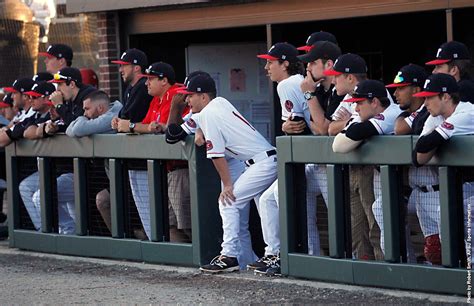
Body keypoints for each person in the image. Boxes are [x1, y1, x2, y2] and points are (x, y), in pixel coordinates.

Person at [167, 74, 277, 273]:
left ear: (203, 97)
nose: (187, 100)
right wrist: (200, 128)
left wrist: (227, 186)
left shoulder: (209, 112)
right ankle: (271, 256)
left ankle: (229, 256)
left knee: (229, 201)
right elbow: (174, 135)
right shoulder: (219, 103)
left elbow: (216, 155)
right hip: (262, 161)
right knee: (265, 207)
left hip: (262, 163)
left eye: (190, 95)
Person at [247, 42, 305, 275]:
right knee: (269, 199)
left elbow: (297, 127)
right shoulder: (295, 82)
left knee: (283, 203)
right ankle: (275, 253)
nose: (266, 68)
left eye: (271, 62)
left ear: (285, 63)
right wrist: (286, 125)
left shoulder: (288, 84)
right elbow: (292, 125)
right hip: (310, 155)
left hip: (311, 157)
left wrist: (287, 126)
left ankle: (286, 256)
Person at [115, 62, 188, 242]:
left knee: (187, 224)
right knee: (170, 224)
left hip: (182, 169)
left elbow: (158, 129)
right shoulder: (156, 99)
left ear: (164, 81)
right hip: (168, 171)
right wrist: (135, 126)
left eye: (151, 79)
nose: (146, 83)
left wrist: (130, 126)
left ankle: (203, 258)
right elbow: (148, 126)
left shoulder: (176, 95)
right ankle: (182, 266)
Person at [413, 73, 474, 262]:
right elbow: (418, 156)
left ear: (446, 97)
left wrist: (436, 143)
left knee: (460, 210)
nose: (425, 102)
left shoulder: (467, 113)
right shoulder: (436, 116)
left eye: (429, 97)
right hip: (466, 184)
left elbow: (427, 144)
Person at [387, 64, 441, 264]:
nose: (395, 93)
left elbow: (401, 129)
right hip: (418, 193)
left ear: (417, 90)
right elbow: (400, 126)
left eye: (401, 88)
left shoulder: (433, 113)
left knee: (455, 247)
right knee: (434, 251)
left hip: (441, 190)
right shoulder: (406, 114)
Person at [298, 40, 344, 256]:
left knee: (345, 220)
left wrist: (308, 94)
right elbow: (318, 129)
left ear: (329, 64)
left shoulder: (342, 90)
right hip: (324, 163)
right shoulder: (326, 92)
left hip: (350, 166)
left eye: (312, 62)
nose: (307, 68)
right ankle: (313, 257)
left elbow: (324, 129)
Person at [17, 81, 76, 234]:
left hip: (75, 172)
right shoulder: (41, 117)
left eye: (35, 97)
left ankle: (62, 231)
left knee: (42, 197)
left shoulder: (67, 115)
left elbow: (70, 126)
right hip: (56, 172)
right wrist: (43, 129)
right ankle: (47, 230)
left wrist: (49, 127)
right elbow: (25, 131)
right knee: (33, 191)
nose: (31, 100)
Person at [46, 67, 96, 134]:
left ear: (72, 84)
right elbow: (69, 123)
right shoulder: (71, 98)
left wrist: (59, 106)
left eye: (60, 84)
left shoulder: (88, 97)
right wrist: (57, 128)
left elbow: (77, 126)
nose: (57, 89)